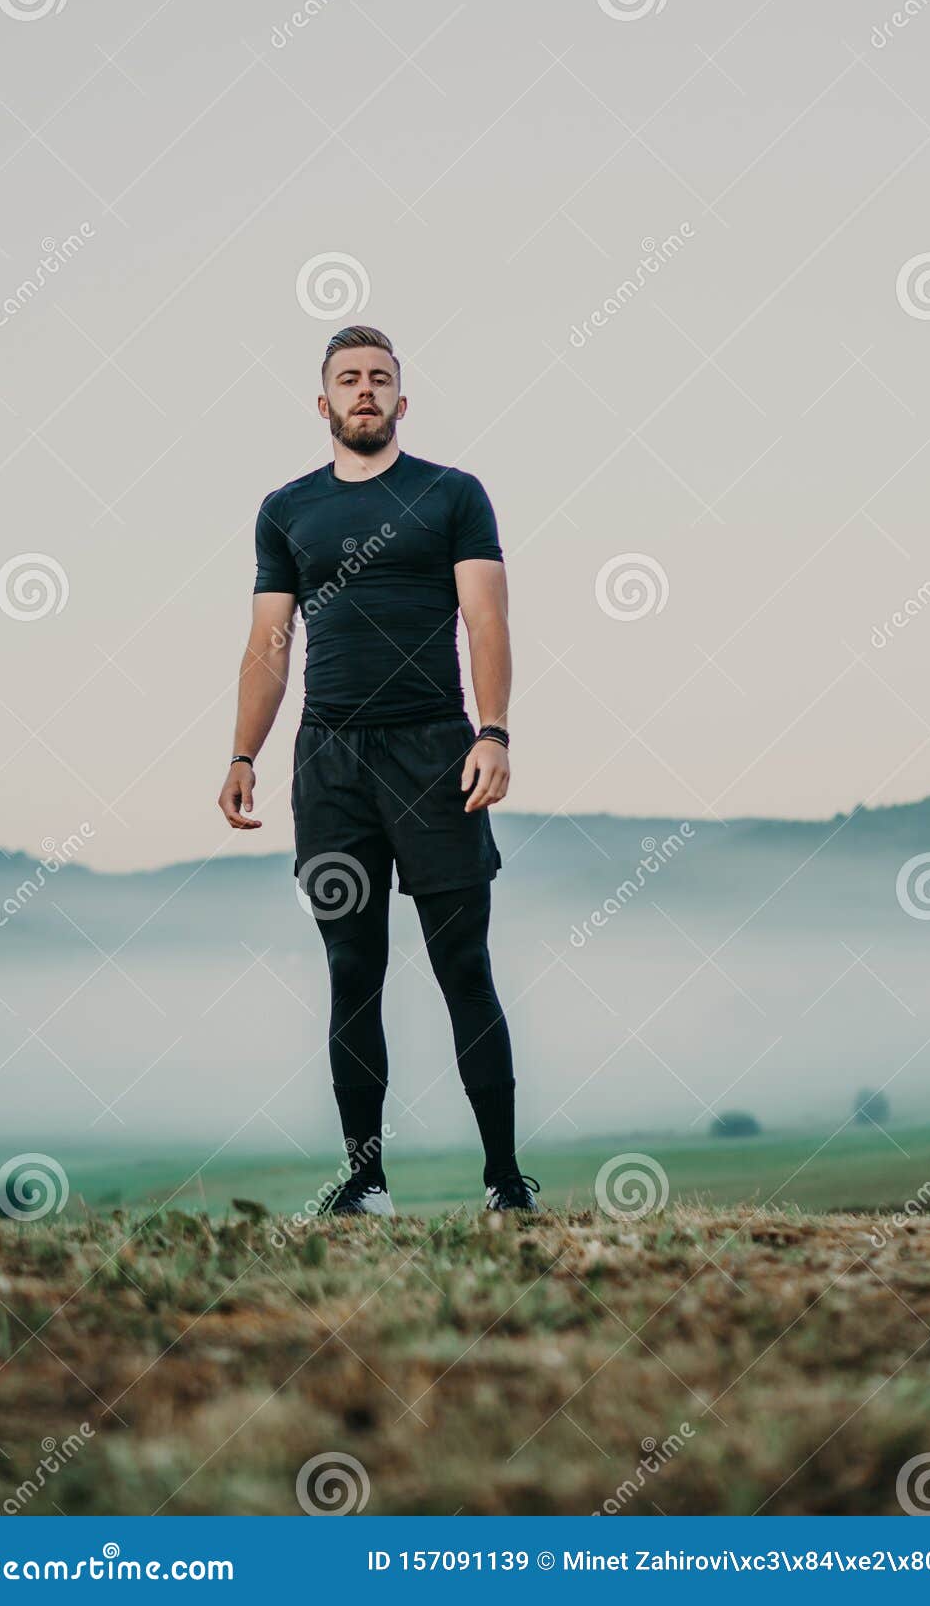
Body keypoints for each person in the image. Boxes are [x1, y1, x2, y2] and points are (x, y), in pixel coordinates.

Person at [218, 325, 539, 1218]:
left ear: (403, 400)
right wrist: (242, 754)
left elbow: (488, 620)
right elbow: (268, 645)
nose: (366, 391)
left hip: (438, 753)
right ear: (323, 404)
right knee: (351, 972)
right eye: (349, 380)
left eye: (381, 379)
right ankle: (364, 1184)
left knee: (462, 968)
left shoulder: (452, 495)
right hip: (330, 765)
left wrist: (495, 731)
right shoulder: (286, 510)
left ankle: (505, 1183)